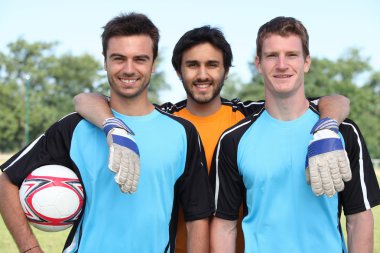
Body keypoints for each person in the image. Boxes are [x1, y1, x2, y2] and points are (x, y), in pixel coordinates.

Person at [74, 26, 352, 252]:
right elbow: (87, 99)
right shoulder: (166, 121)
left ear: (226, 70)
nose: (203, 74)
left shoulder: (249, 118)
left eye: (213, 65)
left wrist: (327, 127)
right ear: (178, 71)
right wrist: (111, 125)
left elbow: (333, 101)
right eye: (192, 65)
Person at [0, 13, 214, 253]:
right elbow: (5, 180)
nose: (129, 69)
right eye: (118, 58)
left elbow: (197, 218)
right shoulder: (74, 127)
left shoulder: (182, 132)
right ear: (105, 62)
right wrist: (30, 249)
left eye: (140, 59)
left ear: (153, 64)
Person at [209, 16, 380, 253]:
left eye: (291, 55)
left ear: (306, 62)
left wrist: (327, 129)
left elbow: (359, 219)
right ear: (258, 63)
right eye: (272, 56)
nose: (281, 64)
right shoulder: (233, 140)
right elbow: (225, 226)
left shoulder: (342, 132)